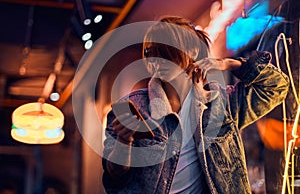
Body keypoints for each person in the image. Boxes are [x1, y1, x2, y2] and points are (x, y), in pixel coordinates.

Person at [102, 16, 289, 193]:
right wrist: (124, 143)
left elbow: (276, 86)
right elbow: (114, 178)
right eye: (151, 53)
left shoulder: (220, 104)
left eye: (167, 51)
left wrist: (229, 64)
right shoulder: (132, 106)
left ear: (191, 52)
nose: (157, 60)